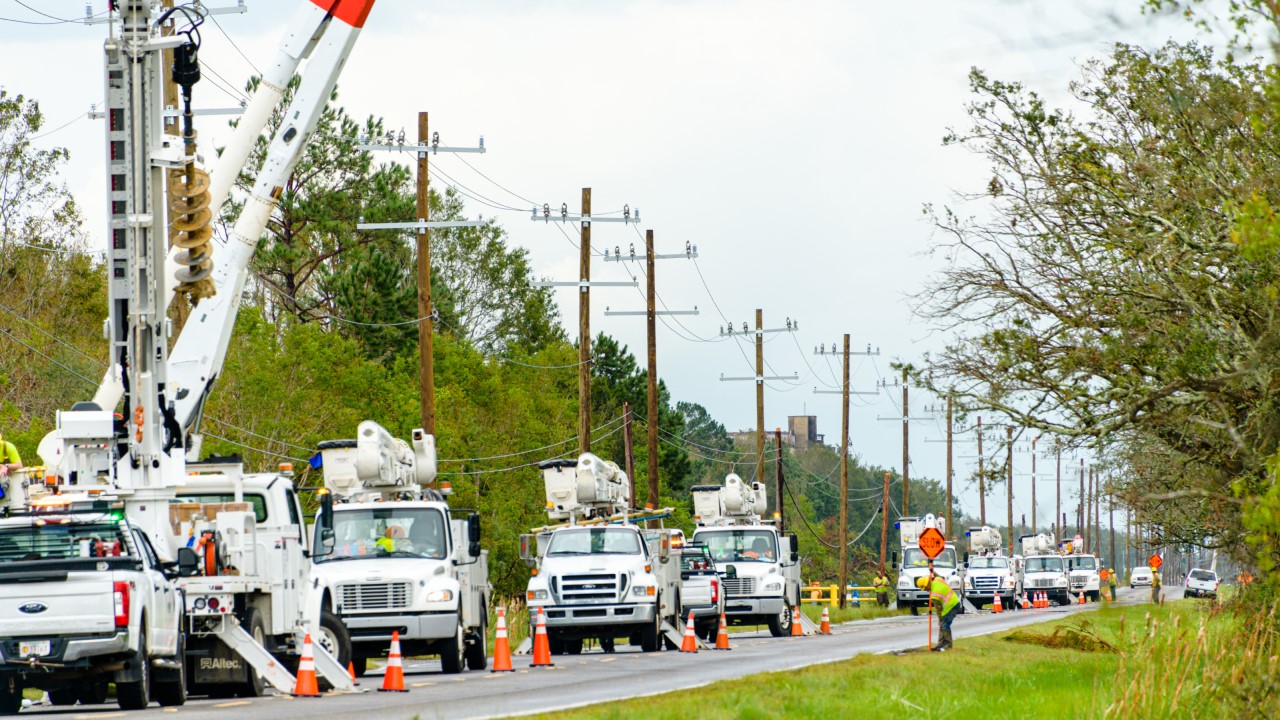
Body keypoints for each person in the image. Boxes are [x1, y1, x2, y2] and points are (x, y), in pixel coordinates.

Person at [916, 574, 960, 651]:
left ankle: (948, 645)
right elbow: (939, 576)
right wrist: (933, 571)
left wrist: (940, 619)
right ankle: (940, 645)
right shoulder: (937, 579)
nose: (926, 590)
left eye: (925, 588)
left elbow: (938, 609)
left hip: (951, 606)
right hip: (955, 602)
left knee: (945, 625)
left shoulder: (934, 595)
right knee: (943, 624)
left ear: (926, 585)